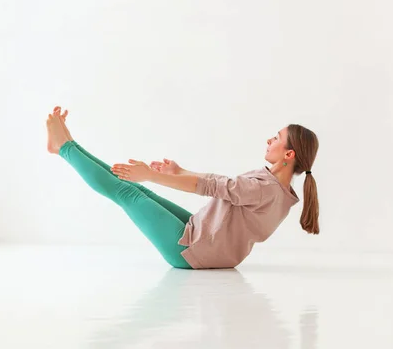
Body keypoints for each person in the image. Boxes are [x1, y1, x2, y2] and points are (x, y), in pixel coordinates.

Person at [46, 106, 319, 270]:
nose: (270, 139)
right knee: (139, 192)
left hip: (191, 253)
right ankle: (70, 145)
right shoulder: (276, 190)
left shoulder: (265, 189)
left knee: (127, 191)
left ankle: (64, 148)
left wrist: (151, 174)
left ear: (289, 155)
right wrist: (179, 172)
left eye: (277, 138)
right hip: (203, 239)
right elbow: (220, 185)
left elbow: (213, 186)